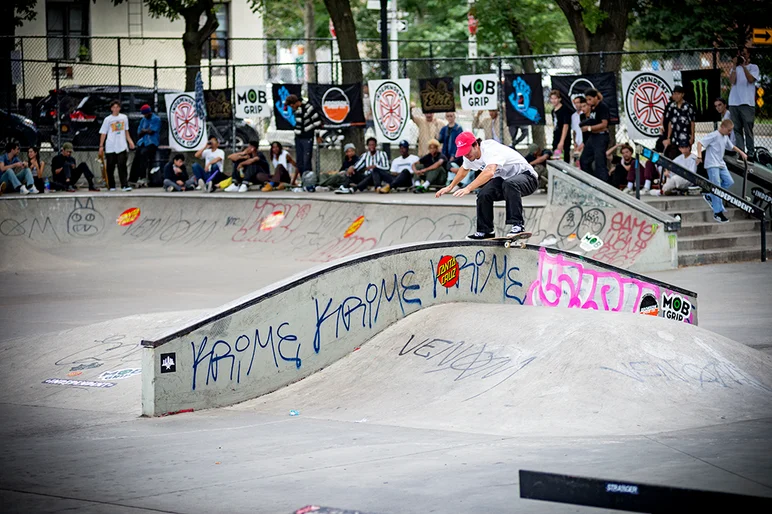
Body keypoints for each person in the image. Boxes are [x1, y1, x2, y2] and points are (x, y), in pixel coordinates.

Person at [436, 132, 538, 240]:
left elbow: (489, 172)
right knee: (484, 194)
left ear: (475, 144)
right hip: (505, 180)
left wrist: (468, 188)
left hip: (528, 178)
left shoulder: (490, 150)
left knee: (510, 184)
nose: (466, 155)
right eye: (464, 153)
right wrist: (450, 186)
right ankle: (486, 231)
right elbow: (463, 169)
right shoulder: (470, 155)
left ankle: (518, 225)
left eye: (468, 152)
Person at [697, 119, 748, 223]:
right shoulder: (714, 135)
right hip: (712, 164)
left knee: (729, 181)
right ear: (723, 127)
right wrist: (699, 156)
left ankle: (710, 196)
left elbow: (731, 146)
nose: (730, 133)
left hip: (721, 164)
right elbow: (699, 143)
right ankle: (718, 213)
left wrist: (741, 153)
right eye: (729, 130)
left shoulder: (725, 137)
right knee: (717, 187)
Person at [728, 46, 759, 155]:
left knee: (748, 130)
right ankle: (741, 153)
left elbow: (750, 80)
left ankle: (750, 153)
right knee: (737, 130)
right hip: (734, 102)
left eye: (744, 54)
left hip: (747, 102)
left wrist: (744, 65)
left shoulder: (753, 67)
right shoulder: (735, 68)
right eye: (740, 54)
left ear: (749, 55)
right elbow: (732, 81)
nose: (742, 56)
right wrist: (735, 66)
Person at [284, 94, 322, 184]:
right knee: (300, 161)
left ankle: (308, 181)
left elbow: (317, 121)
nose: (291, 107)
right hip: (298, 137)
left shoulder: (308, 108)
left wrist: (317, 136)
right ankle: (303, 180)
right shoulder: (297, 110)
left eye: (292, 105)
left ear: (296, 102)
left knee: (306, 160)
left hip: (307, 137)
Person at [99, 99, 135, 191]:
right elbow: (103, 133)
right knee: (110, 166)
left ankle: (124, 184)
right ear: (111, 109)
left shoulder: (124, 118)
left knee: (122, 165)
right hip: (111, 145)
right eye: (114, 107)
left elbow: (126, 131)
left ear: (119, 108)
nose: (115, 109)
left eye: (117, 107)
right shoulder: (108, 119)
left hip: (121, 144)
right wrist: (101, 146)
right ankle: (111, 185)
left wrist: (130, 141)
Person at [578, 89, 610, 181]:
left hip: (601, 136)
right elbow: (593, 120)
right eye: (587, 100)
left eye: (590, 99)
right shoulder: (593, 108)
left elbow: (604, 125)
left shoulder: (602, 107)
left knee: (599, 163)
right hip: (593, 137)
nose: (588, 102)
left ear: (596, 97)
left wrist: (589, 128)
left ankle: (605, 185)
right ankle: (591, 181)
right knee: (584, 160)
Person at [129, 104, 160, 185]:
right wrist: (146, 131)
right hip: (143, 141)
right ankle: (132, 178)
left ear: (149, 113)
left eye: (146, 114)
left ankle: (142, 176)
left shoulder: (156, 119)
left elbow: (152, 131)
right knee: (137, 156)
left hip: (152, 142)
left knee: (144, 154)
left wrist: (144, 131)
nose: (145, 116)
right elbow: (139, 133)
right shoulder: (143, 120)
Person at [549, 90, 572, 163]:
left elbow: (566, 126)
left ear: (559, 99)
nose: (553, 100)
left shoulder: (564, 110)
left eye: (555, 98)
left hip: (564, 138)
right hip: (556, 136)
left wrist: (562, 141)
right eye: (552, 98)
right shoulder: (553, 111)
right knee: (556, 157)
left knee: (564, 157)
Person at [571, 96, 586, 165]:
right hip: (577, 144)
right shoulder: (573, 116)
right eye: (575, 103)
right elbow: (574, 131)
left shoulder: (585, 115)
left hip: (584, 143)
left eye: (578, 102)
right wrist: (574, 143)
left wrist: (582, 144)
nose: (576, 105)